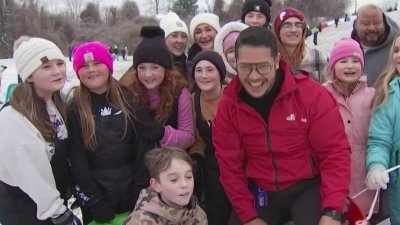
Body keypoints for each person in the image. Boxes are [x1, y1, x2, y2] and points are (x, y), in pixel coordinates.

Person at [212, 27, 351, 225]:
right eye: (245, 67)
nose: (254, 77)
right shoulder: (229, 105)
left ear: (276, 61)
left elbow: (334, 153)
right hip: (261, 190)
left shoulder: (311, 95)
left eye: (262, 67)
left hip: (306, 186)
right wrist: (249, 216)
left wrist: (333, 211)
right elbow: (229, 165)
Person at [0, 37, 81, 225]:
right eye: (46, 67)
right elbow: (32, 176)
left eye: (60, 63)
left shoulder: (52, 103)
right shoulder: (14, 119)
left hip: (50, 204)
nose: (57, 71)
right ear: (28, 75)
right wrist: (59, 214)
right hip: (28, 211)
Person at [67, 41, 140, 225]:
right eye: (84, 66)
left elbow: (142, 147)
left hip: (132, 188)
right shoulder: (75, 108)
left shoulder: (130, 98)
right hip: (97, 192)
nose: (91, 70)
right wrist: (93, 199)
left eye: (97, 63)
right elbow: (76, 158)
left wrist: (139, 188)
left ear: (108, 66)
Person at [119, 25, 195, 195]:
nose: (148, 74)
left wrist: (162, 133)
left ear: (166, 69)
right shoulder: (127, 93)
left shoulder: (179, 92)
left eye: (155, 67)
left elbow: (188, 136)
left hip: (169, 169)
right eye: (142, 68)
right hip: (136, 169)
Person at [323, 38, 376, 216]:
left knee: (364, 215)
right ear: (332, 66)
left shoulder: (372, 95)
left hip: (364, 172)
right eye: (343, 61)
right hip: (334, 172)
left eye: (355, 61)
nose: (350, 66)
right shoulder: (321, 95)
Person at [189, 50, 232, 225]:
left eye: (210, 70)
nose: (204, 76)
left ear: (220, 73)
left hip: (237, 164)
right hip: (210, 167)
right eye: (199, 70)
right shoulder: (193, 100)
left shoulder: (233, 95)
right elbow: (195, 138)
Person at [365, 32, 400, 225]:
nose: (398, 55)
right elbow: (379, 141)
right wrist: (376, 166)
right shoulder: (388, 95)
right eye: (396, 50)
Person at [123, 147, 207, 225]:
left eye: (188, 176)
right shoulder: (139, 221)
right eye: (174, 179)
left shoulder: (197, 212)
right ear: (156, 185)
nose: (184, 184)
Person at [273, 7, 328, 83]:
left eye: (298, 25)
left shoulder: (318, 58)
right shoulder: (271, 61)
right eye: (287, 25)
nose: (293, 30)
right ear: (278, 32)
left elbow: (328, 90)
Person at [351, 4, 399, 86]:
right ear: (356, 24)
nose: (372, 28)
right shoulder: (347, 50)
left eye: (377, 23)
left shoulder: (396, 47)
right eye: (365, 24)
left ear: (384, 23)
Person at [159, 15, 193, 90]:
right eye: (174, 36)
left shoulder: (190, 65)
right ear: (164, 39)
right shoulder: (154, 65)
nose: (180, 40)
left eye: (184, 36)